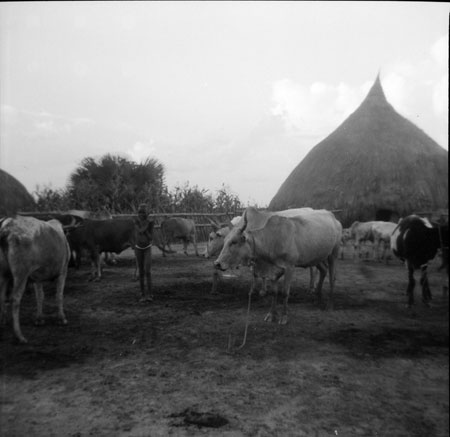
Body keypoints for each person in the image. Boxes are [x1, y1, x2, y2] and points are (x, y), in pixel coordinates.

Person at [134, 203, 154, 302]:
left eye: (143, 212)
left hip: (147, 248)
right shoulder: (135, 221)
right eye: (140, 212)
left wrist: (146, 228)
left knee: (148, 271)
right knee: (141, 272)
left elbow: (151, 238)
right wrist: (146, 226)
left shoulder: (151, 222)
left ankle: (150, 294)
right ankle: (142, 294)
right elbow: (139, 230)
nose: (141, 214)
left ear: (147, 213)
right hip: (138, 248)